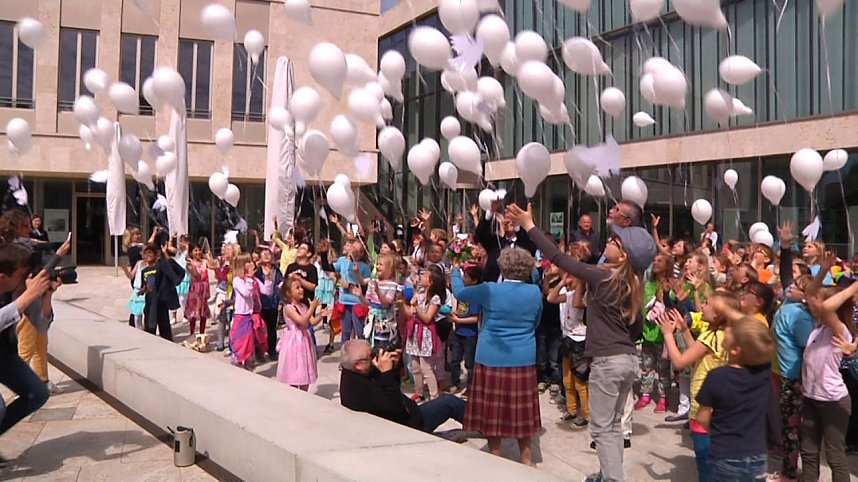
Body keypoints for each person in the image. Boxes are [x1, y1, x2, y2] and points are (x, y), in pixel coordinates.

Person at [507, 202, 656, 480]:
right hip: (626, 361)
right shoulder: (632, 284)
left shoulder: (602, 276)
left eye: (614, 241)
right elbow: (635, 330)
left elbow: (560, 259)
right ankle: (608, 474)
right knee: (612, 426)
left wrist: (530, 226)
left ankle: (612, 479)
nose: (608, 242)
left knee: (601, 428)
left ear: (622, 256)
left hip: (608, 362)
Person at [450, 246, 543, 466]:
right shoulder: (534, 292)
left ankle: (495, 455)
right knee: (523, 413)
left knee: (492, 411)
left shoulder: (489, 289)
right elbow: (535, 321)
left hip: (491, 355)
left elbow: (460, 292)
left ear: (503, 267)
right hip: (523, 356)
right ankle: (527, 459)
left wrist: (455, 270)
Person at [656, 292, 739, 482]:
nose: (702, 306)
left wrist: (668, 334)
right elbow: (696, 352)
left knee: (705, 463)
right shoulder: (725, 335)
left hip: (703, 409)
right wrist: (684, 330)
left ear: (718, 314)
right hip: (721, 408)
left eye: (707, 304)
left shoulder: (711, 336)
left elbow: (680, 362)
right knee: (719, 462)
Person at [696, 319, 776, 482]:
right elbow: (760, 339)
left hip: (724, 455)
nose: (728, 328)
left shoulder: (716, 377)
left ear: (735, 349)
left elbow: (702, 418)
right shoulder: (762, 374)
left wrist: (716, 431)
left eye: (732, 330)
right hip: (757, 456)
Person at [799, 262, 857, 482]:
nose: (814, 302)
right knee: (809, 451)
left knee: (834, 456)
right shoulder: (819, 326)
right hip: (812, 398)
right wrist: (823, 270)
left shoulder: (840, 331)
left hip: (833, 401)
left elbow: (825, 307)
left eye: (820, 300)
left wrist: (851, 289)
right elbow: (811, 293)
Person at [339, 340, 466, 436]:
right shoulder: (356, 388)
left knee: (447, 401)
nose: (373, 360)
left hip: (407, 415)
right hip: (410, 424)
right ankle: (482, 422)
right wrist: (386, 373)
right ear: (358, 365)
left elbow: (391, 389)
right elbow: (394, 405)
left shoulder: (353, 374)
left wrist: (393, 367)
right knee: (450, 402)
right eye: (370, 357)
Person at [0, 243, 59, 437]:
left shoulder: (16, 289)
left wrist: (45, 298)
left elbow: (41, 327)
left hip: (4, 353)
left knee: (37, 394)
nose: (25, 280)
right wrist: (28, 295)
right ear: (2, 277)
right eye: (21, 275)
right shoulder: (21, 293)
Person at [276, 278, 329, 391]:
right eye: (297, 288)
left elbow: (312, 322)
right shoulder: (288, 308)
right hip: (294, 342)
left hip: (304, 340)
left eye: (301, 287)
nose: (301, 290)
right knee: (294, 370)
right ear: (288, 293)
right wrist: (312, 308)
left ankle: (304, 390)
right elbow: (302, 321)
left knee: (304, 369)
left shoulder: (303, 306)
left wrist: (321, 315)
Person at [405, 264, 445, 402]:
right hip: (415, 331)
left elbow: (427, 318)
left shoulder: (435, 299)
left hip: (425, 333)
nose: (422, 277)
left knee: (426, 368)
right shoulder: (420, 293)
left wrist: (415, 306)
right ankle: (419, 392)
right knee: (415, 367)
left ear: (431, 281)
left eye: (425, 276)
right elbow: (412, 311)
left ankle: (434, 396)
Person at [474, 199, 536, 283]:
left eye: (511, 219)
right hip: (494, 289)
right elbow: (480, 235)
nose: (507, 222)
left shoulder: (524, 243)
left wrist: (517, 225)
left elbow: (529, 246)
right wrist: (490, 212)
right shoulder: (495, 243)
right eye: (506, 218)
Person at [447, 264, 481, 397]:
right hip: (458, 333)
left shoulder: (475, 296)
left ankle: (470, 387)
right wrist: (454, 314)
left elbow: (475, 318)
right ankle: (455, 383)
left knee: (469, 363)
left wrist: (458, 321)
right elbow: (462, 310)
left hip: (470, 335)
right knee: (455, 360)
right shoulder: (462, 293)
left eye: (466, 277)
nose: (463, 278)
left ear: (474, 280)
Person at [139, 242, 185, 341]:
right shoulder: (144, 271)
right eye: (146, 254)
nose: (148, 255)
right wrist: (143, 290)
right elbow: (146, 286)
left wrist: (166, 255)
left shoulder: (161, 266)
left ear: (156, 255)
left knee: (165, 330)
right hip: (150, 304)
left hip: (160, 303)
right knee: (149, 330)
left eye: (151, 253)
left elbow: (177, 273)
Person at [229, 253, 266, 370]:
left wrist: (268, 278)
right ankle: (237, 367)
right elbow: (246, 293)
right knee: (240, 345)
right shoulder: (237, 280)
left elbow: (266, 290)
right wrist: (249, 277)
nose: (252, 264)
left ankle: (250, 368)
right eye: (248, 262)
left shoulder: (253, 280)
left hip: (251, 317)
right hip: (241, 317)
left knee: (250, 346)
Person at [255, 247, 283, 359]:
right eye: (264, 254)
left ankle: (272, 350)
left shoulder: (276, 270)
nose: (266, 255)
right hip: (260, 304)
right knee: (260, 328)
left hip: (273, 303)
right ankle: (259, 351)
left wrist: (281, 301)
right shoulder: (257, 272)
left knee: (272, 328)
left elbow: (281, 285)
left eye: (268, 253)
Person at [184, 242, 212, 338]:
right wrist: (192, 264)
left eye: (199, 250)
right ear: (191, 252)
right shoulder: (189, 264)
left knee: (203, 312)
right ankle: (192, 334)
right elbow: (196, 275)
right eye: (195, 250)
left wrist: (208, 257)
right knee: (193, 313)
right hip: (195, 290)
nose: (198, 252)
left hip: (203, 289)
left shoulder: (204, 261)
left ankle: (202, 333)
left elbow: (213, 266)